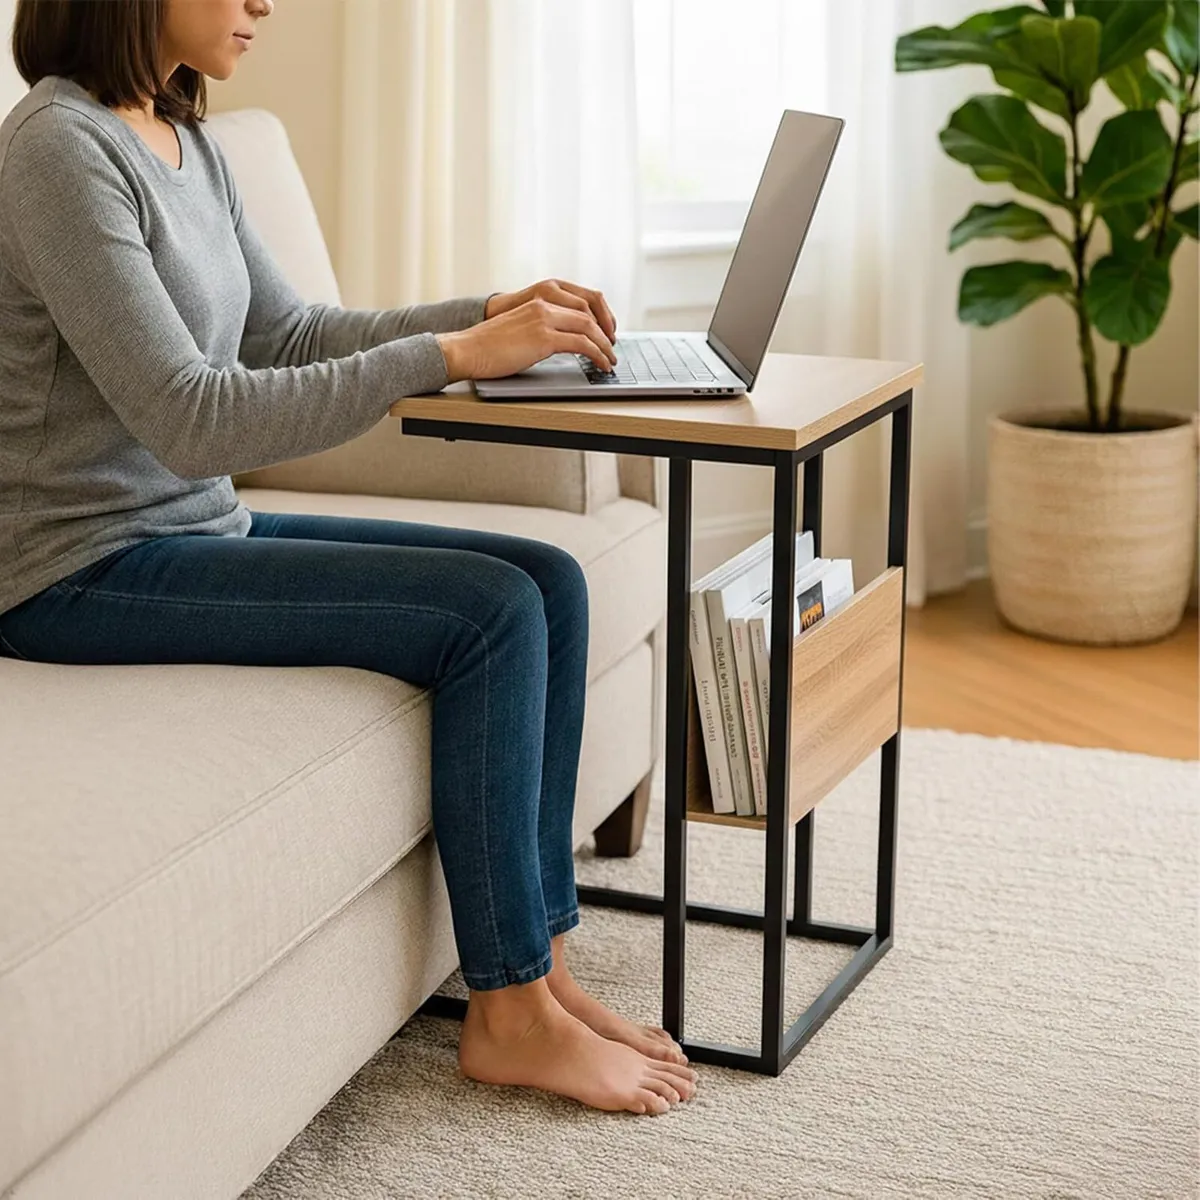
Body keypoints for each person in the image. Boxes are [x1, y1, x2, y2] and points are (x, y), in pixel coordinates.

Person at [0, 0, 697, 1117]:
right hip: (74, 569)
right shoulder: (55, 151)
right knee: (486, 614)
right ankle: (507, 1011)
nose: (264, 2)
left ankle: (546, 966)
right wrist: (453, 355)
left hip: (187, 532)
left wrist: (487, 313)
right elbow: (192, 417)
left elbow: (286, 335)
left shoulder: (180, 132)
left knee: (549, 586)